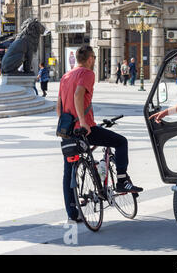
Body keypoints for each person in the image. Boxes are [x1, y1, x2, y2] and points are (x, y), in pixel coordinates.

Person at [57, 45, 143, 222]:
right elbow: (78, 95)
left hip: (67, 131)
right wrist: (82, 121)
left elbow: (58, 104)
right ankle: (121, 180)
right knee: (121, 142)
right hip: (85, 128)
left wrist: (64, 126)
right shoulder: (87, 73)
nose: (94, 61)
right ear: (89, 59)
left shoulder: (65, 76)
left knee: (69, 171)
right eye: (94, 58)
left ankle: (72, 214)